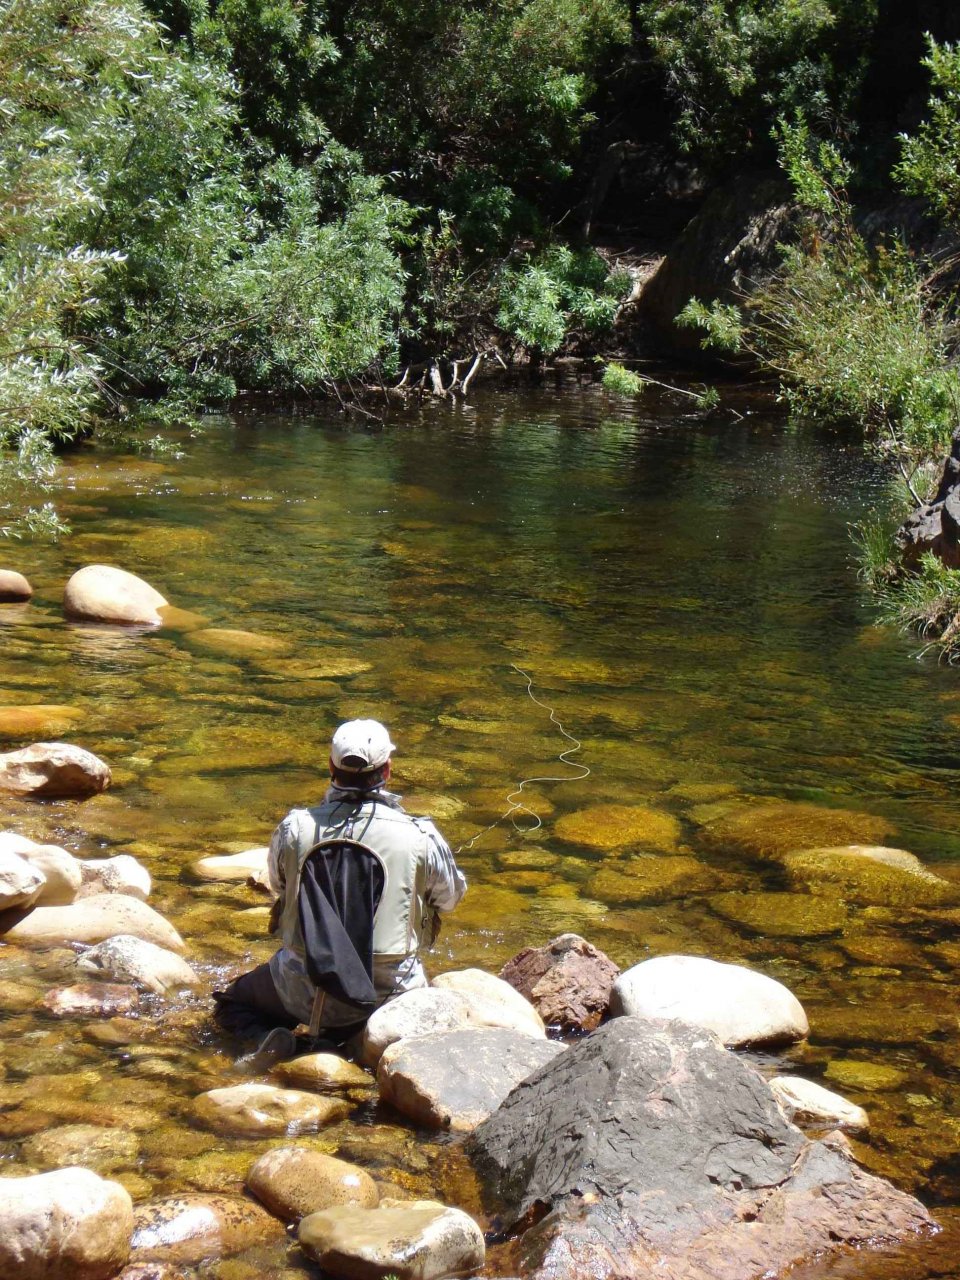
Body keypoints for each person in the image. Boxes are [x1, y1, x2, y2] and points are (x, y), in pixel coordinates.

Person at [214, 718, 466, 1047]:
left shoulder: (295, 828)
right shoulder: (421, 835)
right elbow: (450, 899)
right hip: (390, 993)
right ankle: (359, 1045)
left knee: (232, 1004)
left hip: (301, 986)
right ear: (387, 770)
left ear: (330, 766)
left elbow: (279, 887)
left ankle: (269, 1040)